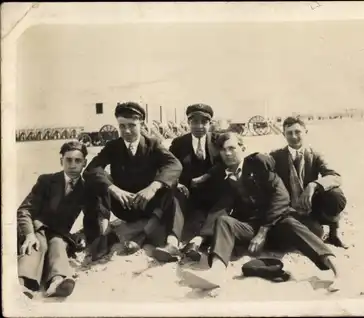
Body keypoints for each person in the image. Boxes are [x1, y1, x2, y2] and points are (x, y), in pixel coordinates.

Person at [180, 132, 339, 293]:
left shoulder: (259, 165)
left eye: (232, 148)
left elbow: (281, 197)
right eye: (223, 150)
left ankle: (337, 269)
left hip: (276, 224)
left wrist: (263, 230)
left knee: (290, 223)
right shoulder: (223, 176)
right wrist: (201, 236)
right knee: (223, 221)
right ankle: (216, 272)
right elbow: (221, 206)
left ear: (243, 148)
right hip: (250, 228)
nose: (227, 153)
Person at [83, 102, 183, 260]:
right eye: (122, 126)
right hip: (124, 205)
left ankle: (172, 242)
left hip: (148, 204)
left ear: (141, 124)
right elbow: (91, 169)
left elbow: (175, 165)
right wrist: (113, 189)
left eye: (132, 125)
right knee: (97, 181)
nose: (127, 131)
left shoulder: (153, 144)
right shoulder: (113, 147)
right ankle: (102, 234)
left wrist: (154, 186)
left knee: (175, 187)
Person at [17, 141, 89, 299]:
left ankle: (57, 282)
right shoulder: (46, 181)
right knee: (37, 244)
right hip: (38, 227)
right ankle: (22, 284)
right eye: (68, 160)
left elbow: (92, 217)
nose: (72, 165)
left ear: (85, 163)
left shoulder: (85, 189)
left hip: (59, 233)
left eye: (78, 160)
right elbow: (25, 210)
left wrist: (83, 235)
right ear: (61, 160)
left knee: (57, 244)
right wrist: (28, 234)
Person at [269, 116, 348, 248]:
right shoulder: (276, 156)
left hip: (312, 204)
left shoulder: (315, 154)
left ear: (305, 132)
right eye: (289, 133)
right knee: (313, 235)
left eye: (298, 132)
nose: (294, 136)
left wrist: (314, 185)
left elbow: (335, 176)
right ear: (283, 135)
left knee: (335, 195)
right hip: (288, 206)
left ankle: (334, 234)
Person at [163, 103, 224, 262]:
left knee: (227, 197)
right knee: (174, 193)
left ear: (210, 123)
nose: (199, 126)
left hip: (213, 195)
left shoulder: (219, 141)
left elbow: (226, 162)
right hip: (187, 194)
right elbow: (168, 166)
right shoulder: (178, 143)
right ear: (188, 123)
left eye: (204, 122)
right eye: (194, 122)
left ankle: (196, 242)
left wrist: (206, 177)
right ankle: (172, 242)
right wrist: (177, 182)